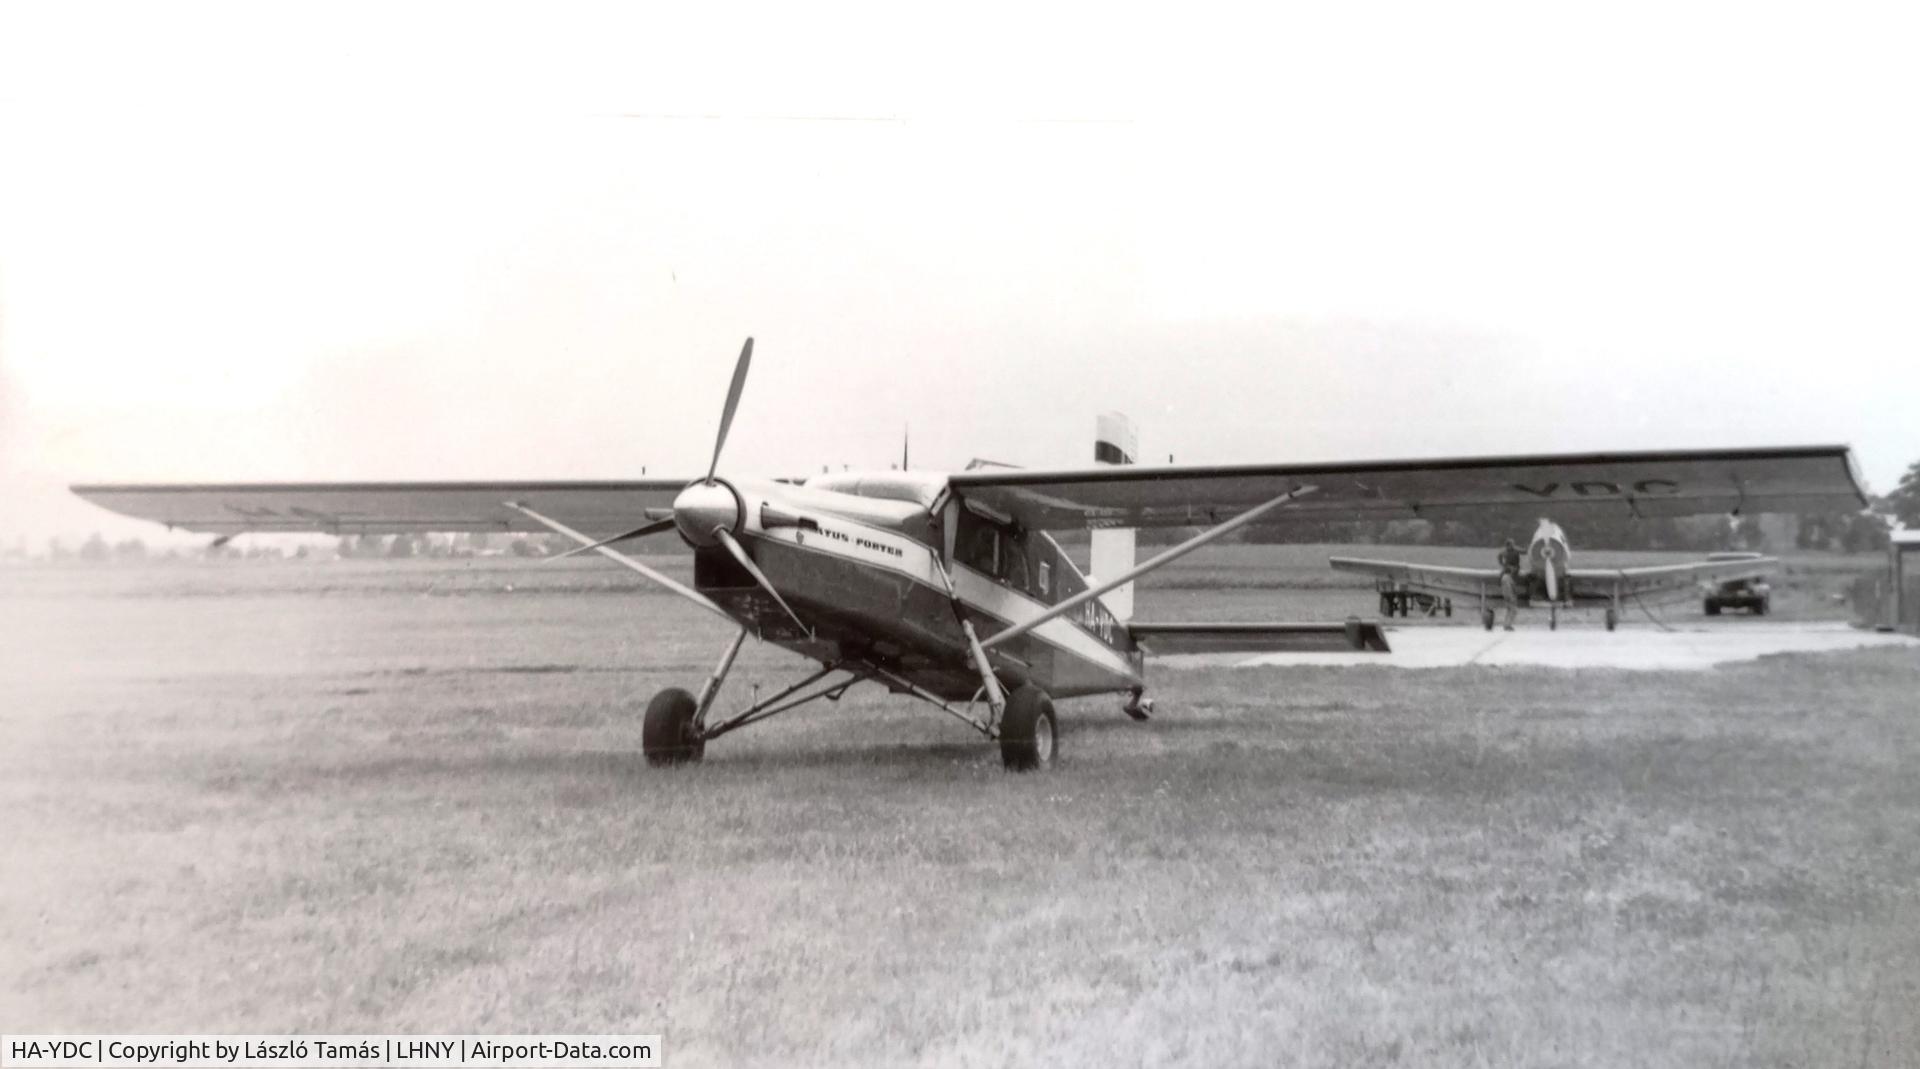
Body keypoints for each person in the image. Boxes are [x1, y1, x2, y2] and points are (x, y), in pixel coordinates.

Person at [1497, 538, 1523, 631]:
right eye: (1512, 544)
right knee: (1513, 609)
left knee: (1509, 609)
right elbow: (1523, 551)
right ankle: (1507, 625)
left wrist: (1502, 564)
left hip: (1506, 587)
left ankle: (1506, 624)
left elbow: (1499, 555)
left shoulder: (1504, 553)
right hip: (1508, 589)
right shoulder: (1509, 574)